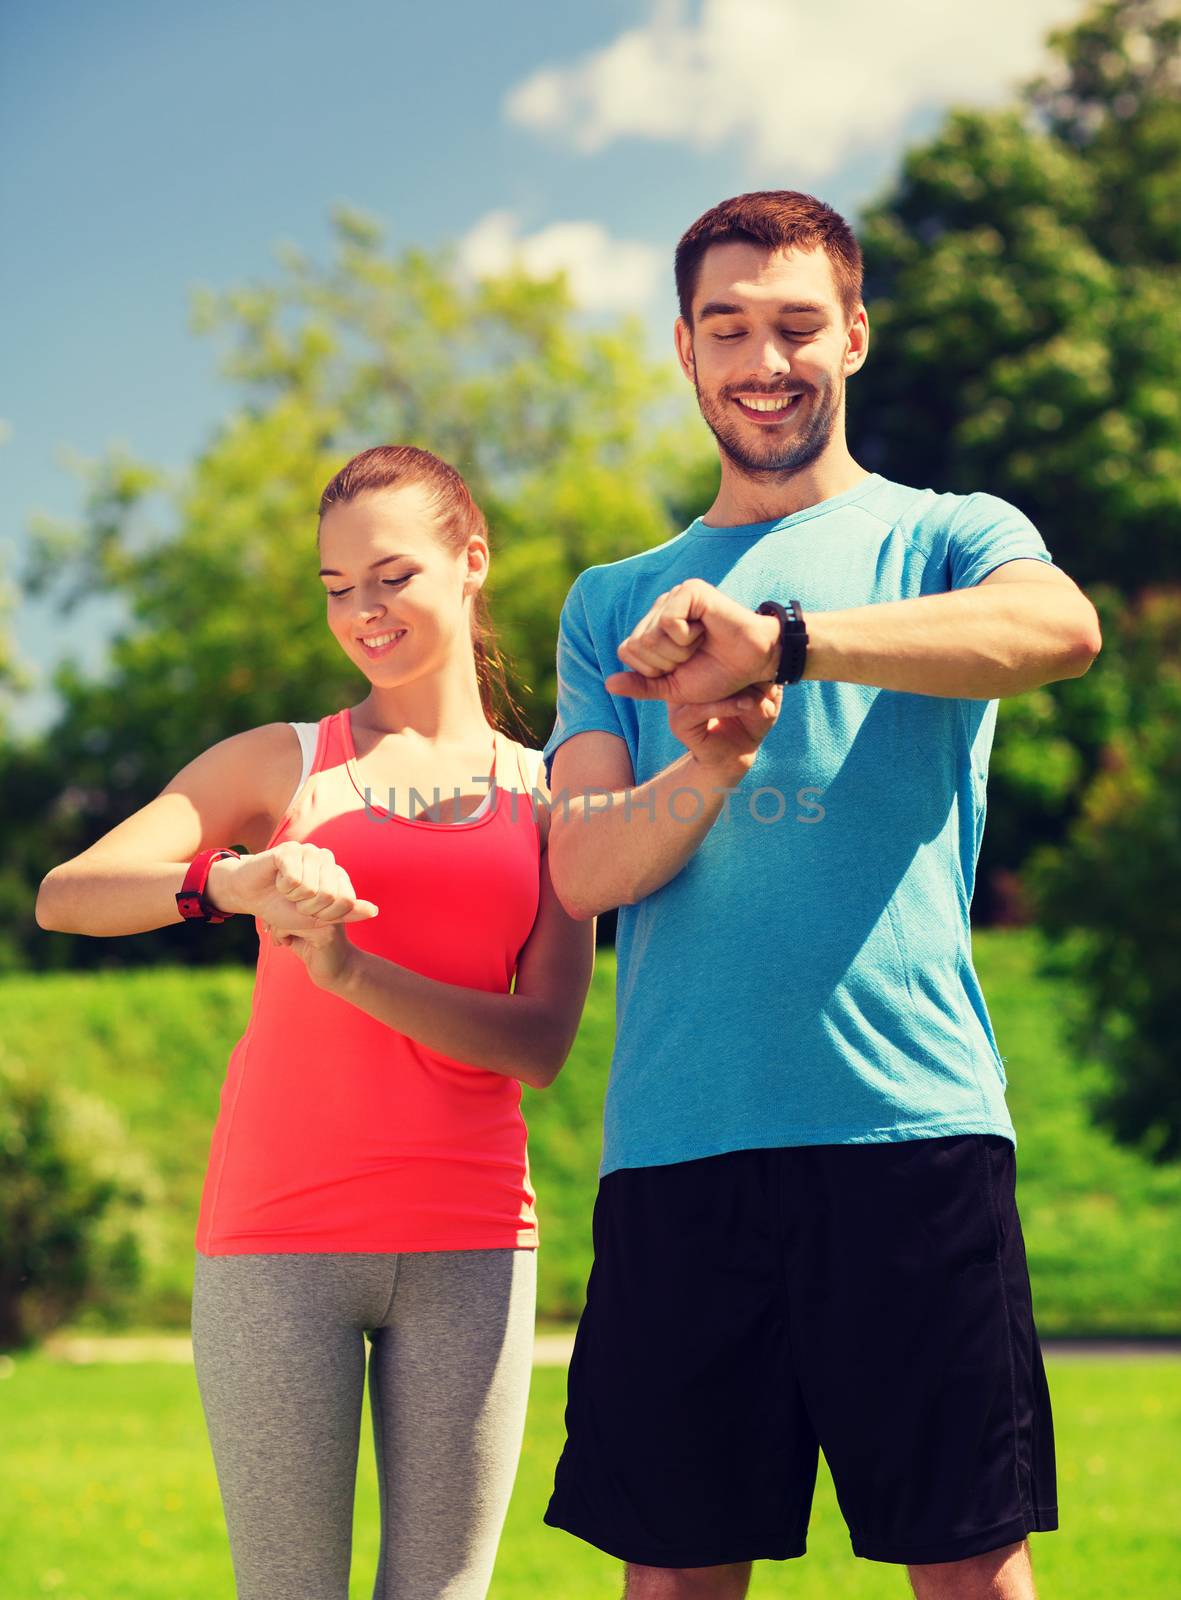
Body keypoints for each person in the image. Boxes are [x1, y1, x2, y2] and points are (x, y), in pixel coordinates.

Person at [539, 192, 1101, 1600]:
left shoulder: (950, 534)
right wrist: (709, 761)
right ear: (683, 348)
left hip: (908, 1131)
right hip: (679, 1152)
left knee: (968, 1568)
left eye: (797, 324)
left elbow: (1061, 629)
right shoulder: (614, 602)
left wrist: (783, 641)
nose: (764, 359)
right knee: (672, 1579)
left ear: (852, 334)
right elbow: (585, 867)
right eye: (728, 327)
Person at [35, 443, 595, 1600]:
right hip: (276, 1245)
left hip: (473, 1241)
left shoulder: (547, 795)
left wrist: (346, 969)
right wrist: (224, 882)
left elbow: (539, 1041)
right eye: (337, 587)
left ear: (471, 560)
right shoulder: (284, 763)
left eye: (390, 575)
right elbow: (69, 894)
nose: (363, 611)